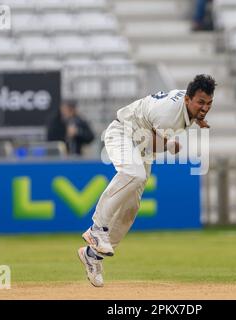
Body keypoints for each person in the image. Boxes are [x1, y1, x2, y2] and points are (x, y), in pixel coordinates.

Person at [77, 74, 217, 287]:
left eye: (209, 103)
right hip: (121, 133)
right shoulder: (168, 115)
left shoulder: (187, 104)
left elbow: (154, 138)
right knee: (134, 174)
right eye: (201, 103)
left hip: (140, 145)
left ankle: (92, 255)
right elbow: (152, 142)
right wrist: (170, 146)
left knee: (130, 209)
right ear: (187, 99)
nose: (205, 107)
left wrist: (197, 117)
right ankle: (97, 229)